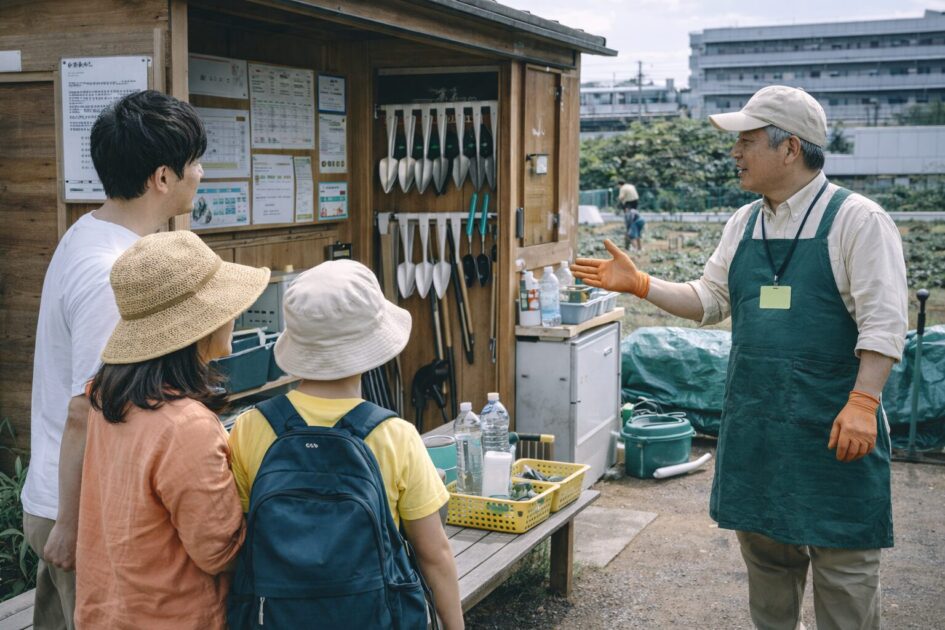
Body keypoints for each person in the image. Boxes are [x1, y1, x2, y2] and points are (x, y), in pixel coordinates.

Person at [573, 86, 907, 630]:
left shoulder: (858, 221)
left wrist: (865, 401)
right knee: (769, 575)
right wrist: (641, 284)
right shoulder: (745, 223)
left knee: (844, 577)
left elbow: (885, 323)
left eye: (746, 141)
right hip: (760, 431)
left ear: (790, 148)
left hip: (834, 430)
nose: (735, 153)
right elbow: (709, 300)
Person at [20, 89, 207, 629]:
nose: (201, 173)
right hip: (82, 510)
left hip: (64, 499)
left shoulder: (89, 231)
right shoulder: (112, 275)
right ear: (163, 178)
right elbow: (88, 406)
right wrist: (73, 526)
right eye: (193, 161)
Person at [228, 260, 464, 629]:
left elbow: (241, 539)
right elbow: (433, 553)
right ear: (370, 347)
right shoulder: (394, 434)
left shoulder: (250, 427)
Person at [76, 231, 269, 628]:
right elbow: (219, 551)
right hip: (174, 616)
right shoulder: (186, 426)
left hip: (108, 608)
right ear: (200, 326)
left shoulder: (106, 396)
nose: (234, 316)